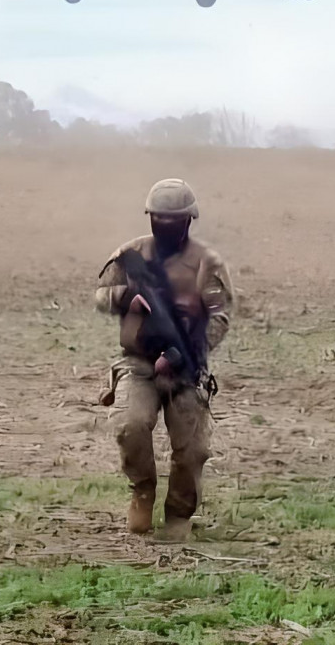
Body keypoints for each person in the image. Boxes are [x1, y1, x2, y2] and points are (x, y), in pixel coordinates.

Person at [96, 178, 233, 541]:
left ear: (189, 220)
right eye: (160, 218)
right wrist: (126, 298)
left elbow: (220, 316)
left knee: (192, 448)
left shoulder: (207, 262)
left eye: (174, 219)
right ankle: (142, 490)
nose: (167, 225)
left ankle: (178, 513)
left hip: (186, 366)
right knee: (130, 424)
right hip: (137, 362)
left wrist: (181, 355)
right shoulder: (132, 253)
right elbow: (100, 295)